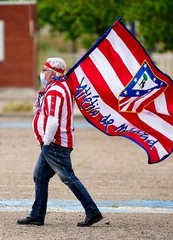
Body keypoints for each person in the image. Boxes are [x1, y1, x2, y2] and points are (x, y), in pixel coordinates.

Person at [17, 57, 103, 227]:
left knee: (68, 177)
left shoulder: (56, 91)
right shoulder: (60, 87)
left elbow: (53, 120)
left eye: (45, 70)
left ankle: (92, 211)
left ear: (54, 72)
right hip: (55, 143)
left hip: (56, 143)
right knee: (40, 176)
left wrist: (46, 142)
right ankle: (37, 215)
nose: (42, 73)